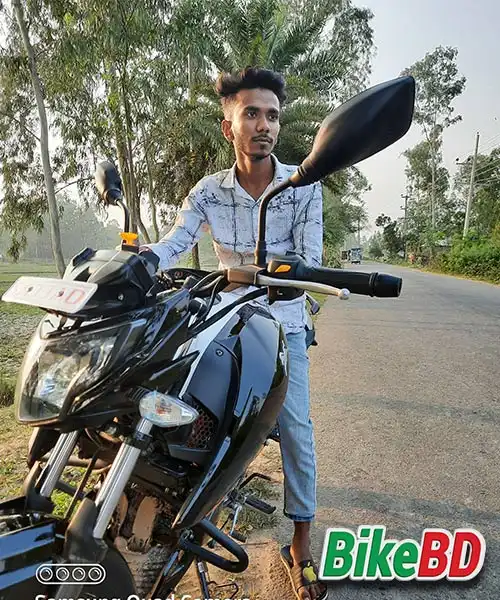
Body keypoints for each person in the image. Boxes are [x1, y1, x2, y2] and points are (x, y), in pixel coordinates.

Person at [140, 67, 327, 600]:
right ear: (229, 127)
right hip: (224, 319)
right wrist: (137, 261)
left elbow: (310, 261)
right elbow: (175, 242)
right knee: (184, 407)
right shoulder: (208, 191)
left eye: (272, 115)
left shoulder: (303, 187)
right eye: (251, 114)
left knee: (295, 426)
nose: (264, 125)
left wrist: (279, 276)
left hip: (283, 322)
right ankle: (186, 508)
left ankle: (301, 544)